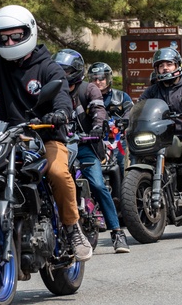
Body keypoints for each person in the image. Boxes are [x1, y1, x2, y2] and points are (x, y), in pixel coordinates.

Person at [0, 6, 94, 263]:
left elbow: (61, 96)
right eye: (3, 37)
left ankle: (73, 229)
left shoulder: (49, 68)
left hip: (46, 137)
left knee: (57, 173)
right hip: (9, 139)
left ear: (29, 32)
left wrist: (60, 114)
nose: (9, 42)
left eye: (16, 36)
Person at [54, 49, 129, 254]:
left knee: (97, 184)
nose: (62, 73)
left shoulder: (89, 89)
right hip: (60, 145)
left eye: (66, 70)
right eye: (59, 70)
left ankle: (117, 233)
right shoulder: (52, 89)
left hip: (85, 144)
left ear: (76, 71)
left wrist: (97, 127)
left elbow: (99, 110)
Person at [135, 47, 182, 208]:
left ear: (177, 66)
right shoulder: (152, 90)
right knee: (133, 147)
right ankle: (130, 194)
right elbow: (139, 106)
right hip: (161, 139)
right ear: (156, 69)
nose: (165, 68)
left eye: (169, 64)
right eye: (161, 65)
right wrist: (127, 117)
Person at [87, 62, 132, 172]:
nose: (98, 82)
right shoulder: (85, 97)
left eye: (102, 78)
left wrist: (123, 122)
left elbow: (131, 111)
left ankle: (125, 188)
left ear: (108, 78)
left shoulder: (121, 96)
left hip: (118, 139)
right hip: (93, 138)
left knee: (122, 163)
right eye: (94, 79)